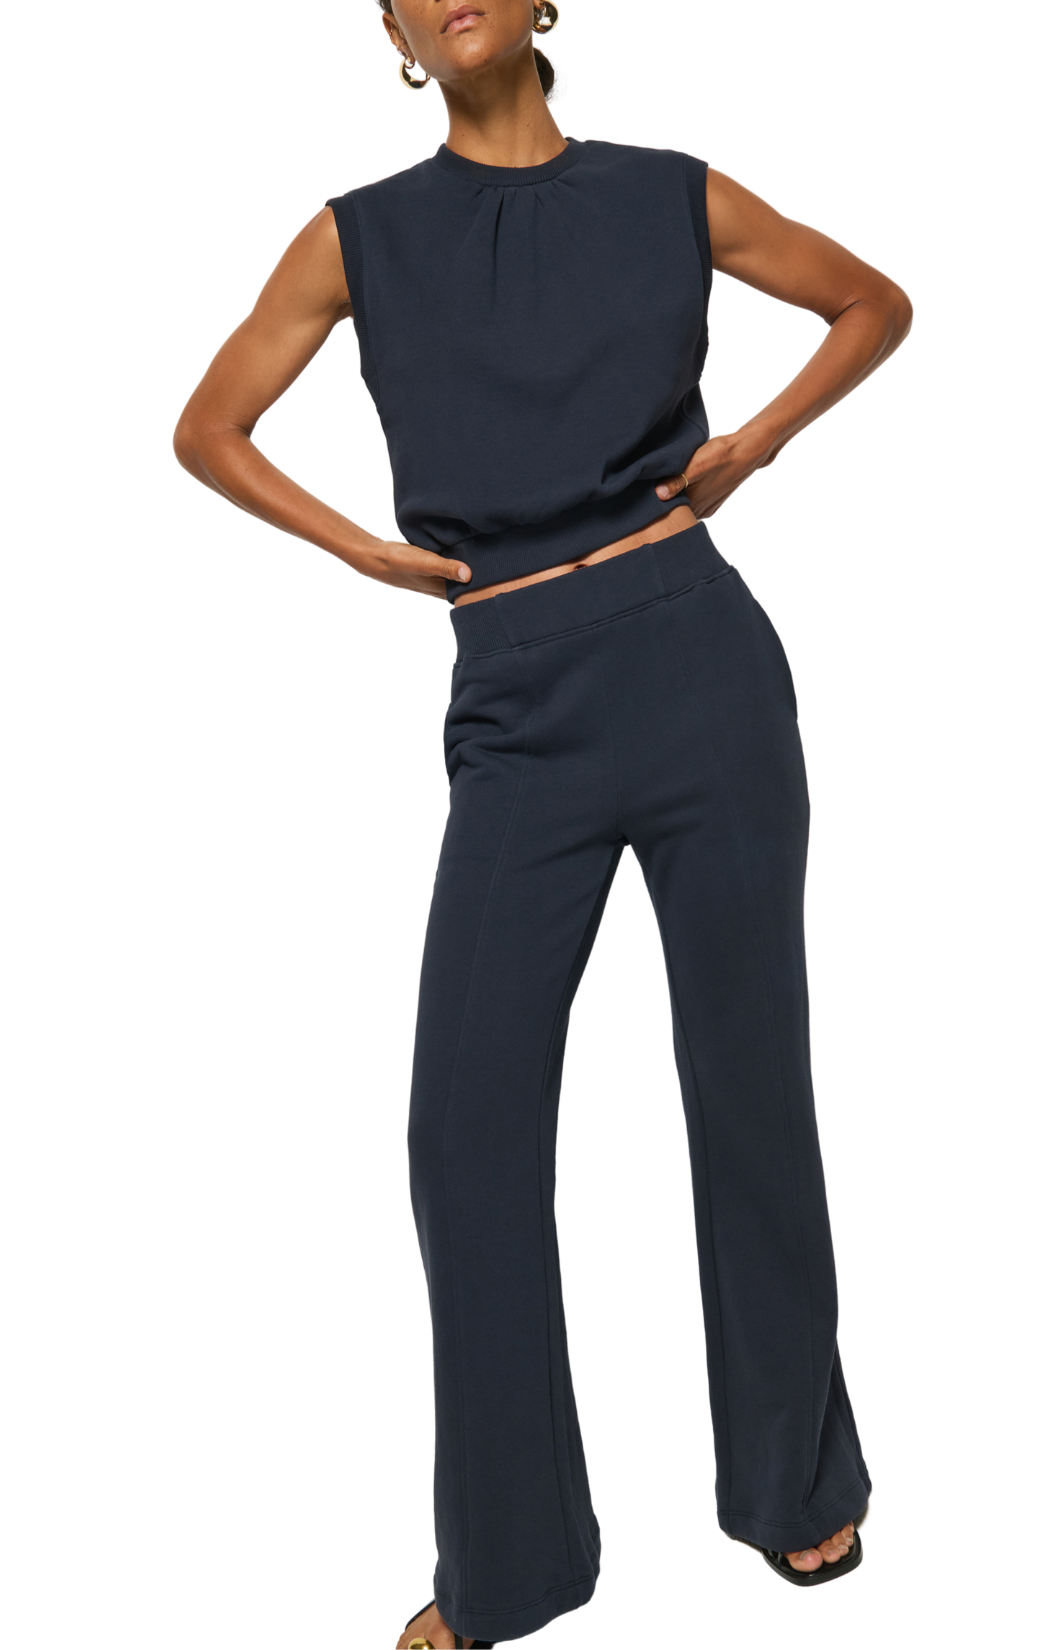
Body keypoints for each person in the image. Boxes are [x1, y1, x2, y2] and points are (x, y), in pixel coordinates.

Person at [174, 3, 911, 1644]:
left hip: (699, 661)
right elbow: (205, 429)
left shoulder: (667, 190)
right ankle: (509, 1563)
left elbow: (874, 300)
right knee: (465, 1130)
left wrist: (752, 443)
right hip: (512, 699)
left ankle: (798, 1481)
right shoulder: (356, 237)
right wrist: (359, 550)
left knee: (746, 1084)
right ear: (392, 33)